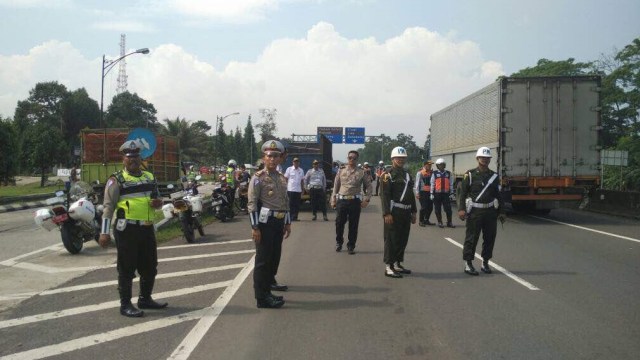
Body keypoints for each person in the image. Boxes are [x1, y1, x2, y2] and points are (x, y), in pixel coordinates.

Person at [98, 140, 167, 317]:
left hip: (147, 228)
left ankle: (145, 299)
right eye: (129, 157)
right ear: (123, 160)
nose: (133, 160)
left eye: (136, 157)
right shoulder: (116, 180)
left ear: (140, 158)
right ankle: (125, 304)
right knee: (126, 268)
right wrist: (104, 233)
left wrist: (159, 203)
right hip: (127, 230)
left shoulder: (149, 177)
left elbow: (158, 199)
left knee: (150, 266)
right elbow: (108, 207)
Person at [248, 140, 291, 309]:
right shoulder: (258, 178)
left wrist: (287, 223)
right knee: (262, 262)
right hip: (264, 224)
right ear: (263, 158)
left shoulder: (281, 178)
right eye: (269, 156)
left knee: (273, 259)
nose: (272, 159)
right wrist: (255, 227)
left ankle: (267, 292)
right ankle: (261, 298)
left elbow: (285, 202)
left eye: (276, 156)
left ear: (280, 158)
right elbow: (252, 204)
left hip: (278, 223)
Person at [457, 147, 506, 276]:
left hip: (490, 211)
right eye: (482, 157)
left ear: (490, 159)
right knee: (471, 238)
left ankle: (485, 262)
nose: (484, 159)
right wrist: (461, 209)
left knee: (489, 238)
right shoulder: (470, 174)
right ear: (477, 159)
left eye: (487, 158)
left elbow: (499, 195)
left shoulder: (494, 176)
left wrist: (502, 211)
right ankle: (468, 263)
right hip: (475, 211)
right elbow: (462, 194)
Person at [380, 147, 417, 278]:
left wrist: (414, 211)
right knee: (391, 239)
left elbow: (410, 194)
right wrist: (386, 213)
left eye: (403, 158)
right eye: (398, 158)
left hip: (406, 211)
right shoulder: (387, 175)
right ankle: (389, 266)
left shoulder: (407, 174)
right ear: (393, 159)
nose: (401, 160)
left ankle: (397, 263)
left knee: (402, 239)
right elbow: (384, 195)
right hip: (394, 211)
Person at [330, 150, 372, 254]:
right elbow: (336, 186)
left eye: (354, 158)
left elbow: (369, 186)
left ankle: (351, 245)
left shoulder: (361, 172)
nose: (351, 160)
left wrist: (367, 199)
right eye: (350, 158)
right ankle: (339, 242)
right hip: (342, 201)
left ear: (357, 159)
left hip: (355, 201)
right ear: (347, 158)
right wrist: (333, 199)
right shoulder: (341, 170)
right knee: (339, 223)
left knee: (353, 225)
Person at [431, 158, 455, 228]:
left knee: (448, 209)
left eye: (442, 165)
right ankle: (440, 222)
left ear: (444, 165)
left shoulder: (448, 173)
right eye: (439, 165)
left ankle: (449, 222)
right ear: (437, 166)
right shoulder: (434, 173)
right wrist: (431, 193)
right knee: (437, 209)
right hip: (437, 194)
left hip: (446, 194)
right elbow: (432, 183)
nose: (441, 166)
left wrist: (452, 193)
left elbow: (451, 184)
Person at [414, 160, 434, 226]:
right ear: (425, 165)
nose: (430, 166)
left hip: (430, 192)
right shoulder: (420, 173)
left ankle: (426, 220)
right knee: (424, 207)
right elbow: (417, 183)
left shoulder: (432, 172)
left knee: (430, 207)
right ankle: (421, 221)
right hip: (423, 192)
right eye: (429, 165)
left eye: (431, 165)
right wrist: (417, 193)